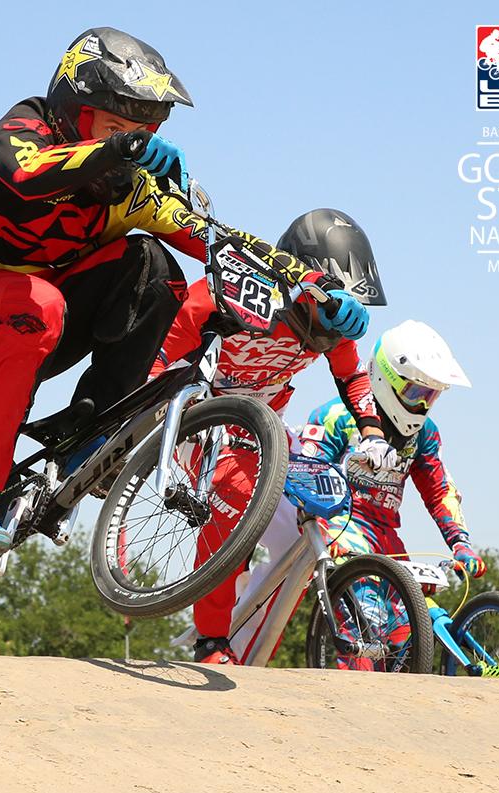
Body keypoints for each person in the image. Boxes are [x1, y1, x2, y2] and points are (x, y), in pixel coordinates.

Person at [0, 28, 365, 554]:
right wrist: (118, 148)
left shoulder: (134, 192)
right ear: (73, 111)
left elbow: (222, 241)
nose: (131, 143)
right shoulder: (26, 129)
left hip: (39, 322)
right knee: (37, 302)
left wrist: (315, 288)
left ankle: (91, 436)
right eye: (116, 127)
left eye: (143, 131)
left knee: (156, 266)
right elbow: (22, 172)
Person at [150, 209, 393, 664]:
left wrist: (373, 434)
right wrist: (156, 389)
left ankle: (245, 648)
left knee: (315, 526)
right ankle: (211, 640)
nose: (331, 333)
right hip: (202, 416)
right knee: (236, 499)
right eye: (329, 311)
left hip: (265, 426)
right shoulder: (246, 292)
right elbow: (182, 323)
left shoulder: (334, 326)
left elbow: (353, 378)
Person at [299, 321, 486, 668]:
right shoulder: (337, 416)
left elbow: (439, 490)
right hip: (343, 526)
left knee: (408, 637)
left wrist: (460, 542)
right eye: (416, 393)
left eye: (431, 396)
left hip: (387, 538)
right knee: (368, 621)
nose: (422, 405)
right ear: (385, 379)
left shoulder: (425, 434)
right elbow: (307, 470)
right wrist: (321, 529)